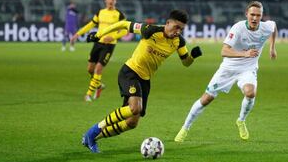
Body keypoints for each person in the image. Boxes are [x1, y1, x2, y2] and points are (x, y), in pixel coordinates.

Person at [82, 9, 202, 153]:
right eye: (176, 27)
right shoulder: (149, 30)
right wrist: (98, 34)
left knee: (132, 122)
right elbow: (123, 24)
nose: (178, 31)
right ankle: (93, 131)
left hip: (145, 80)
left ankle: (92, 139)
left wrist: (193, 57)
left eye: (181, 29)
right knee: (135, 108)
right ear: (168, 23)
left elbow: (186, 62)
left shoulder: (178, 41)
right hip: (130, 72)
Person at [174, 1, 277, 142]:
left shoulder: (266, 27)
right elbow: (224, 51)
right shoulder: (238, 28)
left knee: (250, 92)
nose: (254, 18)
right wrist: (245, 54)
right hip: (228, 69)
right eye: (252, 14)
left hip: (248, 68)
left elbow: (274, 27)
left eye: (258, 15)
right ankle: (185, 128)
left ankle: (241, 121)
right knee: (206, 99)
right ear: (246, 14)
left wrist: (272, 47)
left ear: (261, 16)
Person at [70, 0, 127, 102]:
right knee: (90, 69)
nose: (111, 1)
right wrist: (77, 34)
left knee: (98, 69)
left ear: (116, 1)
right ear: (105, 0)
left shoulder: (119, 15)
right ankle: (99, 85)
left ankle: (88, 94)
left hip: (109, 45)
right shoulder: (100, 12)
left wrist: (113, 37)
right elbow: (90, 25)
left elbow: (125, 30)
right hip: (98, 43)